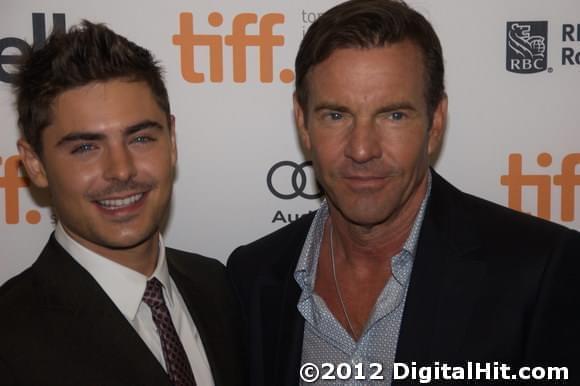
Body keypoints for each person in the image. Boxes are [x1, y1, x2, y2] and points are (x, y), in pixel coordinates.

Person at [227, 0, 580, 384]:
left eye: (394, 115)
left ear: (435, 122)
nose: (362, 149)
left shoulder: (538, 271)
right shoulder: (253, 275)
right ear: (303, 122)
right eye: (336, 115)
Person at [0, 21, 244, 386]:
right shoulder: (9, 337)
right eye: (85, 148)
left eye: (141, 138)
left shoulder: (219, 286)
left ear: (172, 140)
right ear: (35, 164)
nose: (121, 170)